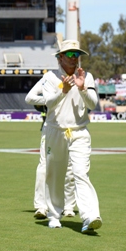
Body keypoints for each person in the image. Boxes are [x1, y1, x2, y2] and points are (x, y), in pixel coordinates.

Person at [40, 39, 102, 234]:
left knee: (80, 173)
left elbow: (92, 104)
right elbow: (48, 102)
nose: (75, 59)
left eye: (77, 55)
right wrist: (63, 90)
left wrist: (82, 88)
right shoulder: (50, 78)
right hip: (56, 131)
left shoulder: (86, 77)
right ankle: (53, 215)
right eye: (70, 55)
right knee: (55, 175)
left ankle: (90, 215)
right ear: (60, 58)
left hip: (80, 132)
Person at [25, 83, 77, 219]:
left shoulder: (76, 80)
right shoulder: (48, 79)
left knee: (70, 168)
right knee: (44, 167)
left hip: (71, 130)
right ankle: (41, 206)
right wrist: (50, 99)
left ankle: (69, 206)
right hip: (50, 130)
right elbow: (30, 98)